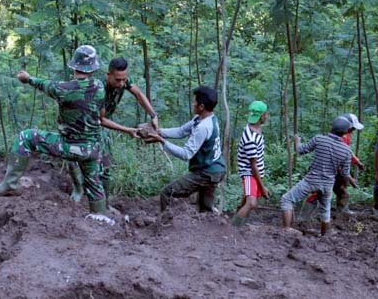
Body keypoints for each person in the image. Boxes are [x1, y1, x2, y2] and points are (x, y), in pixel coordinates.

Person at [0, 45, 110, 215]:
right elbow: (102, 113)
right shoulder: (99, 87)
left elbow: (44, 84)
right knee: (94, 185)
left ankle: (11, 184)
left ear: (74, 65)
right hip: (92, 149)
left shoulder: (64, 89)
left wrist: (27, 78)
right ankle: (100, 216)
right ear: (93, 67)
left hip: (69, 146)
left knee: (26, 137)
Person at [67, 57, 159, 202]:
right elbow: (101, 120)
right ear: (107, 75)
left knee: (106, 164)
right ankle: (78, 189)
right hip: (85, 124)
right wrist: (128, 130)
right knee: (74, 156)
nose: (121, 83)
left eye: (124, 79)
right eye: (117, 80)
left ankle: (105, 201)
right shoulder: (99, 89)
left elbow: (139, 95)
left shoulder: (122, 81)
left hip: (103, 124)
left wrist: (153, 115)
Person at [147, 86, 225, 214]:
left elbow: (186, 154)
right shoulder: (204, 119)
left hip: (206, 173)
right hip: (214, 170)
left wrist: (162, 141)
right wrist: (159, 132)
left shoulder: (203, 127)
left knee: (167, 193)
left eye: (195, 101)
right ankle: (209, 227)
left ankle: (164, 224)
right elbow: (181, 131)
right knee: (205, 210)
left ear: (202, 106)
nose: (192, 103)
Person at [280, 116, 356, 236]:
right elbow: (345, 173)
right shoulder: (346, 150)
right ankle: (325, 235)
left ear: (332, 127)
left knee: (286, 199)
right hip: (328, 185)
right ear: (346, 132)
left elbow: (301, 150)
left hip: (311, 180)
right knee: (325, 211)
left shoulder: (319, 139)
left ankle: (287, 229)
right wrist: (351, 180)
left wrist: (297, 140)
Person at [231, 101, 268, 227]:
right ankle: (233, 228)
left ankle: (236, 221)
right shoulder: (250, 138)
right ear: (262, 116)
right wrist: (262, 187)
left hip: (255, 173)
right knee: (251, 202)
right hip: (249, 173)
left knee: (246, 200)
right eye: (266, 114)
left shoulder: (257, 129)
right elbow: (253, 166)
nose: (267, 116)